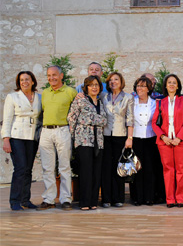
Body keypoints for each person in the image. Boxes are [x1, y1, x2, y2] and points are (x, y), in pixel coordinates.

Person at [37, 65, 77, 211]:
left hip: (63, 130)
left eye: (54, 75)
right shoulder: (45, 93)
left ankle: (66, 199)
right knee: (47, 167)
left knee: (64, 166)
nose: (51, 78)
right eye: (49, 75)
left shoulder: (70, 92)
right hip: (46, 132)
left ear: (61, 76)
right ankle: (49, 199)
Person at [2, 71, 42, 211]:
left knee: (28, 169)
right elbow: (7, 119)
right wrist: (6, 139)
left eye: (27, 79)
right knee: (20, 168)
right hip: (16, 136)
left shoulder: (39, 97)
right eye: (21, 80)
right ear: (18, 82)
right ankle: (15, 201)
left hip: (32, 137)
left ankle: (26, 200)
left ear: (33, 81)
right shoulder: (12, 97)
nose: (24, 82)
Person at [67, 76, 107, 210]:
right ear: (86, 87)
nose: (94, 87)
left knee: (96, 171)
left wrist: (87, 119)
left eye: (96, 84)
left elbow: (105, 121)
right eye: (91, 85)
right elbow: (71, 118)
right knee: (85, 171)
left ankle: (93, 201)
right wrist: (74, 136)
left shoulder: (101, 103)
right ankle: (84, 202)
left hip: (99, 141)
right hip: (83, 140)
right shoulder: (80, 100)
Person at [152, 74, 183, 208]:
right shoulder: (160, 102)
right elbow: (154, 123)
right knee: (168, 170)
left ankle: (180, 198)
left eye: (174, 82)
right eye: (169, 82)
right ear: (166, 85)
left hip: (181, 141)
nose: (172, 85)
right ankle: (170, 199)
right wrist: (163, 137)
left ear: (178, 85)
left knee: (181, 169)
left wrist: (179, 137)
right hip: (165, 141)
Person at [101, 72, 134, 208]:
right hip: (106, 136)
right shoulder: (104, 97)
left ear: (121, 82)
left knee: (119, 167)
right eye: (110, 80)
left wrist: (129, 138)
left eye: (116, 79)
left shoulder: (128, 97)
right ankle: (106, 199)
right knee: (106, 168)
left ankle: (118, 198)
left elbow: (130, 119)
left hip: (121, 136)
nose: (113, 82)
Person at [130, 77, 157, 206]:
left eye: (142, 86)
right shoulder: (131, 102)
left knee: (150, 169)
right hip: (135, 138)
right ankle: (137, 197)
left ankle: (149, 197)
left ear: (149, 89)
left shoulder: (155, 103)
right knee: (137, 168)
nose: (139, 89)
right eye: (138, 86)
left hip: (150, 138)